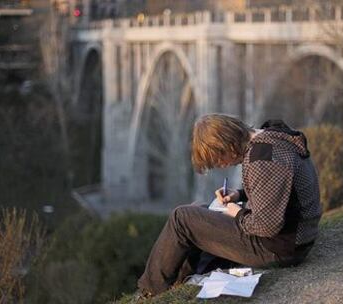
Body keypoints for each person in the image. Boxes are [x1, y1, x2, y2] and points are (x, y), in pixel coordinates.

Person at [137, 114, 322, 297]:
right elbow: (279, 188)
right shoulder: (271, 139)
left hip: (280, 249)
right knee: (199, 208)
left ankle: (151, 290)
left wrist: (238, 213)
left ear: (228, 145)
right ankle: (181, 280)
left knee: (182, 218)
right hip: (295, 240)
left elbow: (266, 226)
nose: (223, 165)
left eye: (219, 159)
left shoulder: (262, 158)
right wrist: (239, 194)